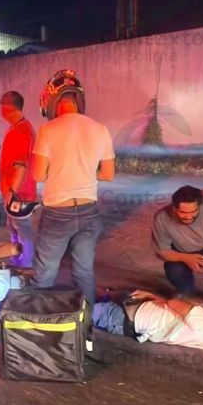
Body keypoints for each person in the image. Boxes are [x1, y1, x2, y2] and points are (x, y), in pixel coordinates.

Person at [31, 70, 115, 311]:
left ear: (51, 101)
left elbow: (38, 175)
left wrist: (61, 170)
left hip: (58, 213)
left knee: (45, 273)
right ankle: (87, 326)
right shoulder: (100, 129)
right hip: (89, 212)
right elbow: (108, 174)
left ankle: (40, 323)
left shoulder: (48, 130)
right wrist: (84, 171)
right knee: (84, 272)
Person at [152, 186, 203, 303]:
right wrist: (187, 258)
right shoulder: (162, 218)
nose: (189, 217)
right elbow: (162, 251)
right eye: (183, 212)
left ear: (199, 206)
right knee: (173, 268)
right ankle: (185, 290)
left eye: (193, 212)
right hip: (183, 252)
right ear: (174, 208)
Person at [93, 289, 203, 349]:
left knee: (77, 309)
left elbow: (174, 303)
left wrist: (152, 296)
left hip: (123, 318)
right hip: (133, 315)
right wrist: (151, 296)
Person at [0, 91, 37, 268]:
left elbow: (21, 166)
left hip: (19, 194)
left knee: (23, 230)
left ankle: (26, 265)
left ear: (8, 108)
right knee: (15, 229)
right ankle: (18, 259)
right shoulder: (18, 128)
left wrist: (12, 193)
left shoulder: (21, 131)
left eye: (2, 106)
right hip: (13, 193)